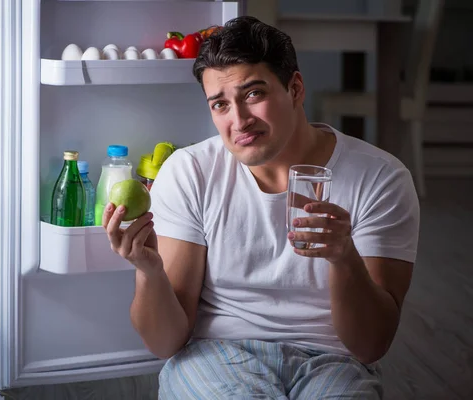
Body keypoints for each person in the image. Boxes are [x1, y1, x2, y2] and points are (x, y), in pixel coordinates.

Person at [102, 16, 420, 400]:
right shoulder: (190, 172)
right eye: (220, 104)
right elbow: (164, 343)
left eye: (253, 94)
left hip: (336, 360)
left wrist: (344, 258)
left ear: (296, 88)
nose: (239, 121)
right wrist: (150, 271)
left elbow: (371, 346)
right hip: (215, 354)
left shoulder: (380, 178)